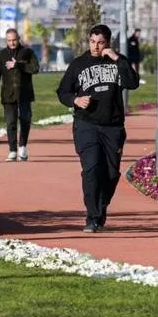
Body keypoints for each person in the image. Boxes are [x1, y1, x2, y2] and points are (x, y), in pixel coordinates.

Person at [57, 23, 141, 232]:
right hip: (86, 125)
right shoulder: (78, 64)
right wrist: (75, 100)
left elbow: (132, 83)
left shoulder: (117, 62)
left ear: (108, 43)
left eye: (100, 42)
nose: (95, 46)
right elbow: (63, 91)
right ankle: (92, 217)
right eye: (92, 42)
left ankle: (100, 207)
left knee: (111, 174)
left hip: (113, 127)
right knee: (92, 169)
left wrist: (117, 58)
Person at [0, 27, 39, 161]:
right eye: (9, 40)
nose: (12, 43)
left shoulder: (27, 52)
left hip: (25, 93)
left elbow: (35, 68)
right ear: (6, 40)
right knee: (11, 122)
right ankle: (12, 150)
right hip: (8, 94)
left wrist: (19, 65)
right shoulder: (1, 55)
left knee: (25, 119)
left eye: (14, 40)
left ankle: (22, 146)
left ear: (19, 39)